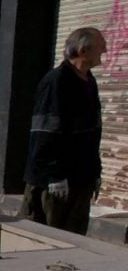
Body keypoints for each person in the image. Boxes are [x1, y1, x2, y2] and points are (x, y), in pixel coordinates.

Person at [21, 27, 107, 235]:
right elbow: (44, 133)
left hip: (80, 180)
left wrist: (95, 173)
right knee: (45, 239)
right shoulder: (57, 81)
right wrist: (54, 176)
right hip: (55, 183)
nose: (105, 49)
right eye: (100, 46)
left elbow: (91, 134)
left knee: (74, 242)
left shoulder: (89, 81)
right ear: (83, 50)